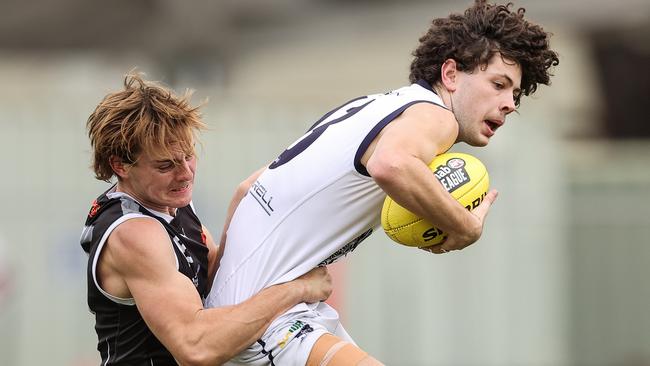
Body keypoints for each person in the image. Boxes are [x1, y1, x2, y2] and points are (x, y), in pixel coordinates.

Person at [206, 0, 560, 365]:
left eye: (514, 95)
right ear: (450, 74)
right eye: (498, 84)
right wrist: (465, 226)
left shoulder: (376, 106)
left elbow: (247, 188)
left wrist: (214, 294)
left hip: (266, 308)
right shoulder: (438, 118)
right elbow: (391, 164)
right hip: (265, 320)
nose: (509, 104)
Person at [80, 73, 333, 366]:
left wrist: (240, 209)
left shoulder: (167, 202)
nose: (186, 174)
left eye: (188, 156)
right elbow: (195, 347)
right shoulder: (134, 233)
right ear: (120, 166)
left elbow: (215, 285)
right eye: (166, 165)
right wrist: (297, 289)